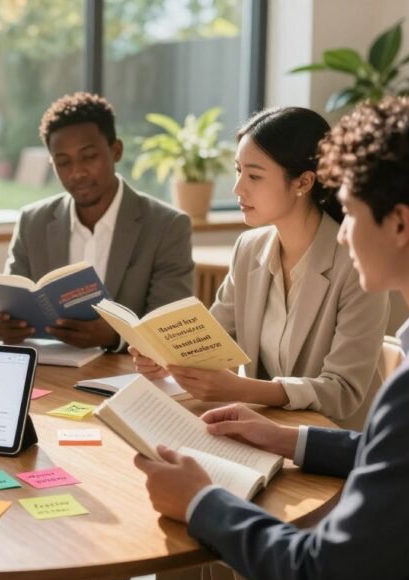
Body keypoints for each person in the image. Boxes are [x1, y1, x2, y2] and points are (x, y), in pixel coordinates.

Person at [134, 95, 409, 580]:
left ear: (399, 224)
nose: (340, 235)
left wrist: (201, 501)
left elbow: (325, 572)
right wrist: (289, 438)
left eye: (352, 213)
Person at [131, 106, 388, 427]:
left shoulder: (356, 264)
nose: (238, 188)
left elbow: (342, 391)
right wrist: (165, 357)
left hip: (337, 442)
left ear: (303, 182)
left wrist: (246, 389)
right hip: (268, 430)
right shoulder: (249, 249)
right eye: (238, 171)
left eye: (254, 175)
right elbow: (211, 340)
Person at [0, 92, 194, 350]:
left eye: (89, 156)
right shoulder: (33, 222)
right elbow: (4, 304)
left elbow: (170, 327)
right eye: (63, 162)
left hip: (127, 375)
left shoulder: (167, 226)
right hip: (50, 372)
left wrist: (115, 338)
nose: (77, 172)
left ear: (116, 151)